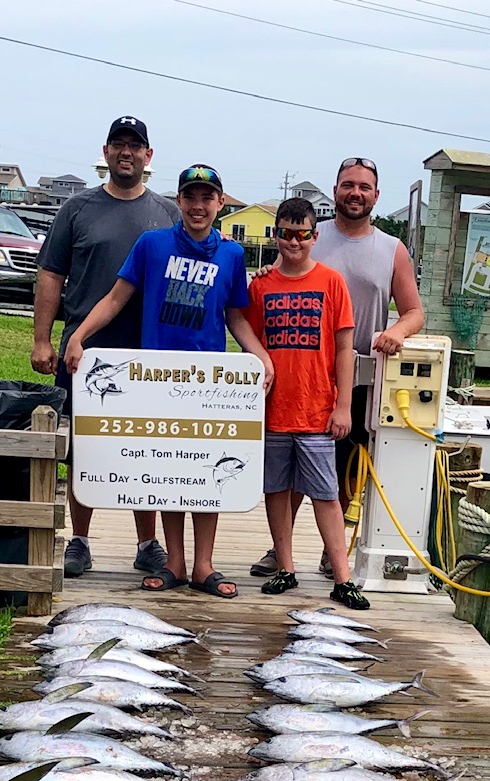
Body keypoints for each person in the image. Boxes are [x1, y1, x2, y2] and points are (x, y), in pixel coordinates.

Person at [64, 164, 274, 599]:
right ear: (177, 201)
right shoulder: (152, 244)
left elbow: (235, 315)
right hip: (156, 380)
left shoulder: (232, 255)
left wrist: (260, 356)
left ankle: (204, 565)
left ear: (219, 203)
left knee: (207, 469)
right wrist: (79, 335)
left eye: (207, 198)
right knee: (171, 470)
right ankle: (175, 562)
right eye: (190, 197)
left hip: (208, 383)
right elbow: (117, 297)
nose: (198, 206)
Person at [250, 156, 424, 579]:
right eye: (348, 185)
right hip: (299, 373)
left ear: (376, 195)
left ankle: (334, 551)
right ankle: (281, 550)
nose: (355, 193)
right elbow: (278, 276)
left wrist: (398, 331)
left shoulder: (391, 248)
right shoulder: (310, 233)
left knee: (343, 469)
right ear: (335, 190)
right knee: (287, 472)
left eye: (364, 187)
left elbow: (415, 311)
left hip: (359, 375)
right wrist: (262, 273)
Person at [31, 116, 178, 578]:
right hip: (85, 347)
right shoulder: (76, 209)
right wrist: (41, 338)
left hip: (149, 350)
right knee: (84, 446)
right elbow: (51, 276)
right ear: (106, 153)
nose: (127, 153)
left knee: (146, 448)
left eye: (136, 146)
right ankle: (80, 539)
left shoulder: (168, 212)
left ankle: (147, 542)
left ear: (149, 156)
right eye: (119, 145)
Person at [244, 197, 367, 610]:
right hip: (273, 411)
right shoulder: (259, 285)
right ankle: (285, 567)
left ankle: (343, 577)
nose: (293, 242)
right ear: (274, 234)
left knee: (326, 495)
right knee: (276, 491)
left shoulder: (332, 282)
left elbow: (344, 347)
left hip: (317, 411)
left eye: (302, 235)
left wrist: (343, 406)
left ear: (315, 237)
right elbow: (246, 332)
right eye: (285, 234)